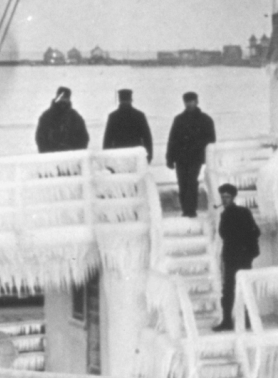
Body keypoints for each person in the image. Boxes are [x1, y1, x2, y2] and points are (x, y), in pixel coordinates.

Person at [164, 91, 216, 219]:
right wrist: (169, 158)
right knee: (182, 183)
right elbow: (172, 139)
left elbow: (211, 140)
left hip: (196, 158)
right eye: (187, 101)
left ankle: (191, 210)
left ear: (197, 102)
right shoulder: (179, 119)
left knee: (192, 182)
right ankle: (185, 210)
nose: (189, 104)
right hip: (181, 158)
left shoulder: (205, 120)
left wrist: (204, 153)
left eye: (192, 101)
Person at [215, 183, 259, 333]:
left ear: (233, 197)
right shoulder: (225, 214)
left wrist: (246, 249)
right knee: (228, 290)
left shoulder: (242, 212)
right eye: (222, 197)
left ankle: (245, 320)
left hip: (240, 257)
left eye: (227, 197)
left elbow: (255, 231)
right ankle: (227, 320)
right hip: (232, 257)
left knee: (239, 289)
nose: (224, 199)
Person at [101, 88, 153, 160]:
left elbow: (107, 140)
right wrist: (149, 155)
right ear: (131, 99)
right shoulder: (139, 115)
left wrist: (106, 158)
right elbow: (147, 138)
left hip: (118, 155)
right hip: (136, 156)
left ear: (119, 100)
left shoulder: (113, 117)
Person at [35, 86, 90, 153]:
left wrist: (75, 154)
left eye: (65, 97)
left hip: (71, 159)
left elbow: (83, 138)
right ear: (56, 97)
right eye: (60, 96)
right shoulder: (46, 117)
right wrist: (48, 154)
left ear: (69, 99)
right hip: (51, 158)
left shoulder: (76, 118)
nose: (63, 99)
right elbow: (40, 138)